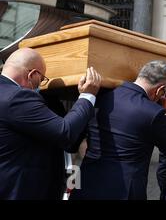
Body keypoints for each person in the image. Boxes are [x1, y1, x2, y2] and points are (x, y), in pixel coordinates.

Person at [69, 60, 166, 200]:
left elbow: (72, 144)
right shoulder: (154, 113)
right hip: (125, 192)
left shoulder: (96, 98)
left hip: (87, 186)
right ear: (160, 90)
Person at [0, 47, 101, 199]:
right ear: (32, 74)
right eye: (41, 80)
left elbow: (68, 142)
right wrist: (87, 96)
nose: (41, 86)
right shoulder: (17, 97)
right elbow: (64, 132)